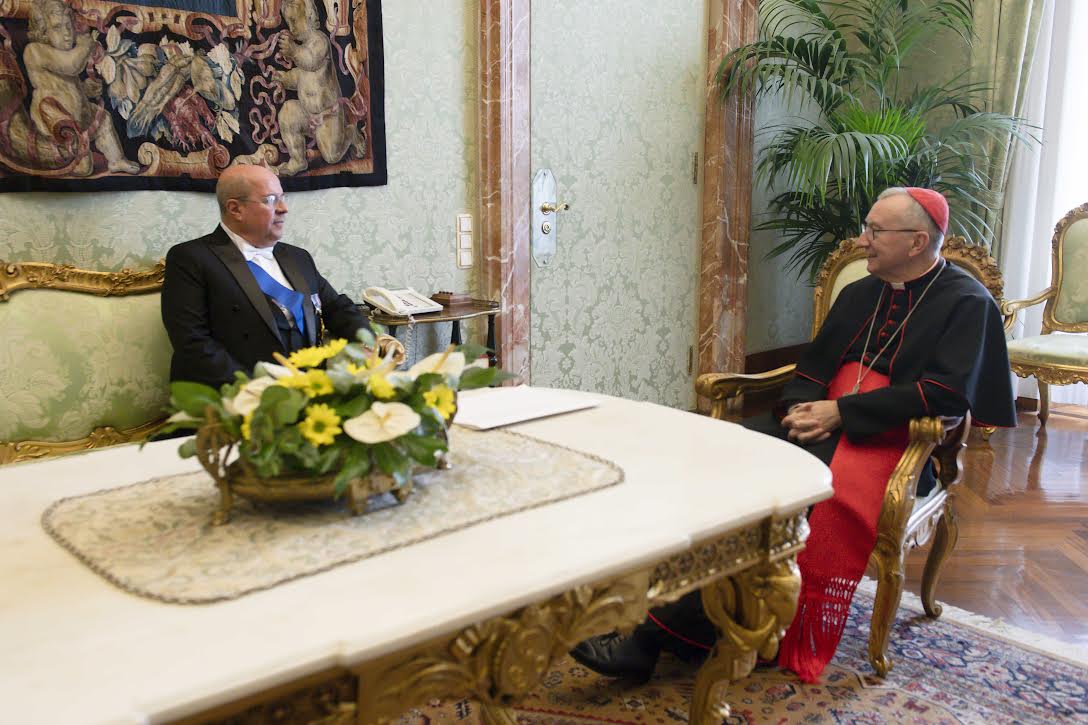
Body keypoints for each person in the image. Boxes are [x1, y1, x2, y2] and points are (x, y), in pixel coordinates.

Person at [571, 187, 1016, 684]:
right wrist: (801, 408)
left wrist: (842, 413)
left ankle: (656, 637)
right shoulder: (860, 293)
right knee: (717, 469)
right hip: (822, 421)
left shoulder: (967, 303)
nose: (861, 240)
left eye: (875, 230)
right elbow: (813, 365)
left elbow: (945, 393)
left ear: (916, 242)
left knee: (788, 495)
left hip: (893, 439)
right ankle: (696, 615)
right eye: (866, 228)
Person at [161, 164, 368, 387]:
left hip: (309, 390)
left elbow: (337, 308)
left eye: (283, 198)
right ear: (235, 209)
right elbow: (193, 343)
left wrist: (372, 341)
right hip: (236, 394)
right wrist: (260, 390)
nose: (284, 208)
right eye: (270, 200)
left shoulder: (298, 257)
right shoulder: (191, 258)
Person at [22, 0, 140, 176]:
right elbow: (71, 65)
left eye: (68, 26)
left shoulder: (65, 52)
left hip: (80, 116)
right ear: (43, 31)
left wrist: (86, 89)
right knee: (84, 169)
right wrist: (86, 43)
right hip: (57, 125)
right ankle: (68, 160)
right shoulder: (35, 51)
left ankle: (116, 160)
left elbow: (67, 84)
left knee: (104, 120)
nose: (67, 33)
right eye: (57, 27)